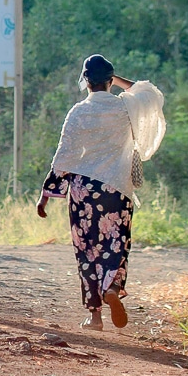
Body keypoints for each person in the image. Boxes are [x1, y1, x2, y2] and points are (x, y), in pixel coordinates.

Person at [37, 54, 165, 330]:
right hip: (117, 190)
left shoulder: (78, 112)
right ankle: (112, 287)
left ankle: (94, 316)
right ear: (109, 81)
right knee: (116, 245)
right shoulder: (125, 107)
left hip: (84, 194)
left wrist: (46, 194)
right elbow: (149, 92)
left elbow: (65, 155)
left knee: (87, 251)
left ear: (84, 82)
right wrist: (116, 79)